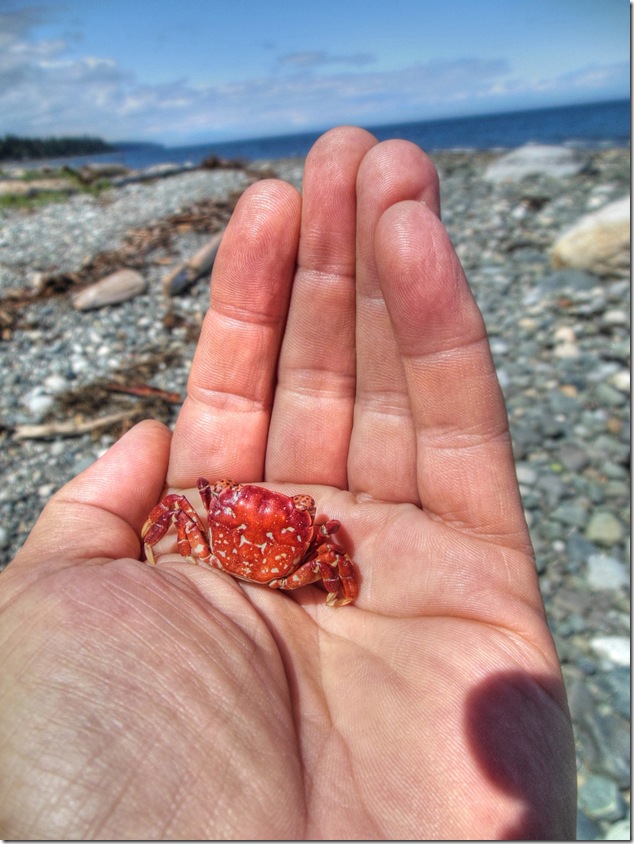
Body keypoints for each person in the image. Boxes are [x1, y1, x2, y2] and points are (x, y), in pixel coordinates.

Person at [0, 127, 576, 840]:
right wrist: (333, 587)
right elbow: (330, 559)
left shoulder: (211, 513)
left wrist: (165, 544)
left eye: (298, 511)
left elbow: (181, 509)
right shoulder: (312, 539)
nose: (299, 514)